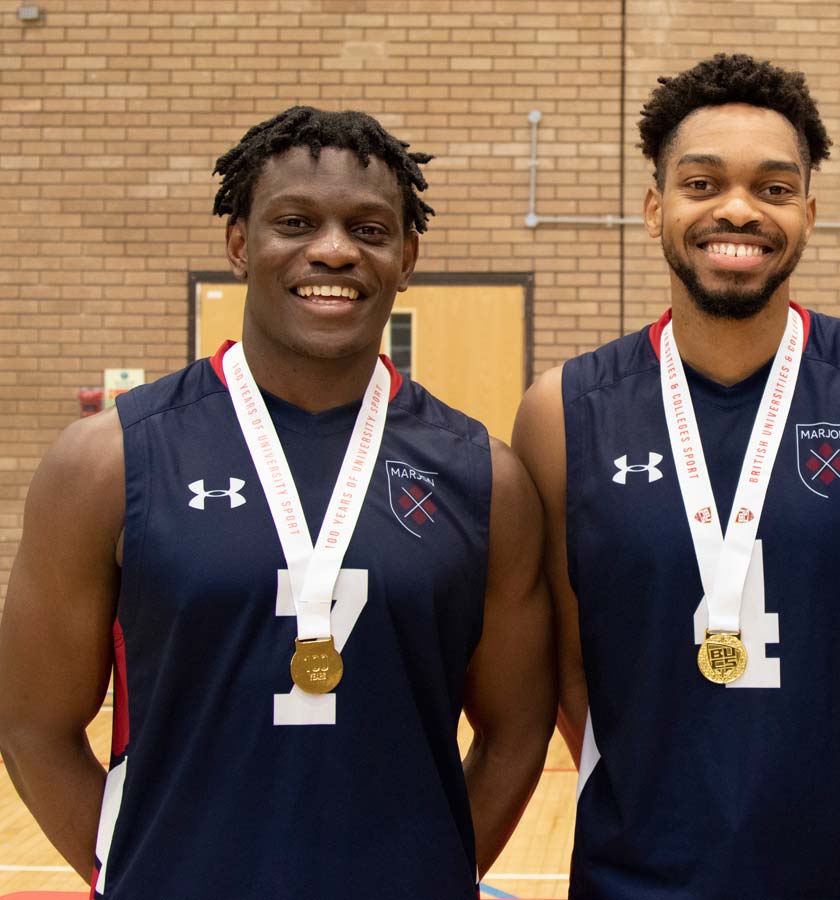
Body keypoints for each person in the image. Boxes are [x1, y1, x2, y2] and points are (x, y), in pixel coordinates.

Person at [0, 107, 555, 899]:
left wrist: (434, 875)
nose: (332, 249)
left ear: (407, 258)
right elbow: (31, 726)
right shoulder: (106, 461)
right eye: (294, 221)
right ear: (238, 243)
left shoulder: (485, 480)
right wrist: (136, 874)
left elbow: (515, 735)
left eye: (369, 229)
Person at [512, 53, 840, 899]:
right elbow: (573, 669)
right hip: (628, 878)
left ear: (808, 211)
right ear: (656, 208)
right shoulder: (560, 413)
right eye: (701, 183)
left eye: (772, 188)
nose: (737, 209)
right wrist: (652, 814)